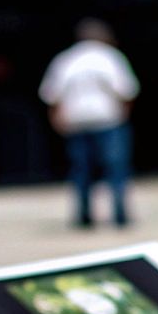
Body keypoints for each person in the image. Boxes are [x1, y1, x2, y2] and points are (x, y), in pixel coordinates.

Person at [39, 19, 139, 228]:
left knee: (81, 169)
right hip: (108, 120)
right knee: (116, 167)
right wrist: (124, 114)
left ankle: (84, 216)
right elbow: (127, 90)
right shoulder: (110, 57)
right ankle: (119, 214)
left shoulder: (66, 59)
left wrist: (57, 118)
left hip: (76, 122)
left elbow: (52, 95)